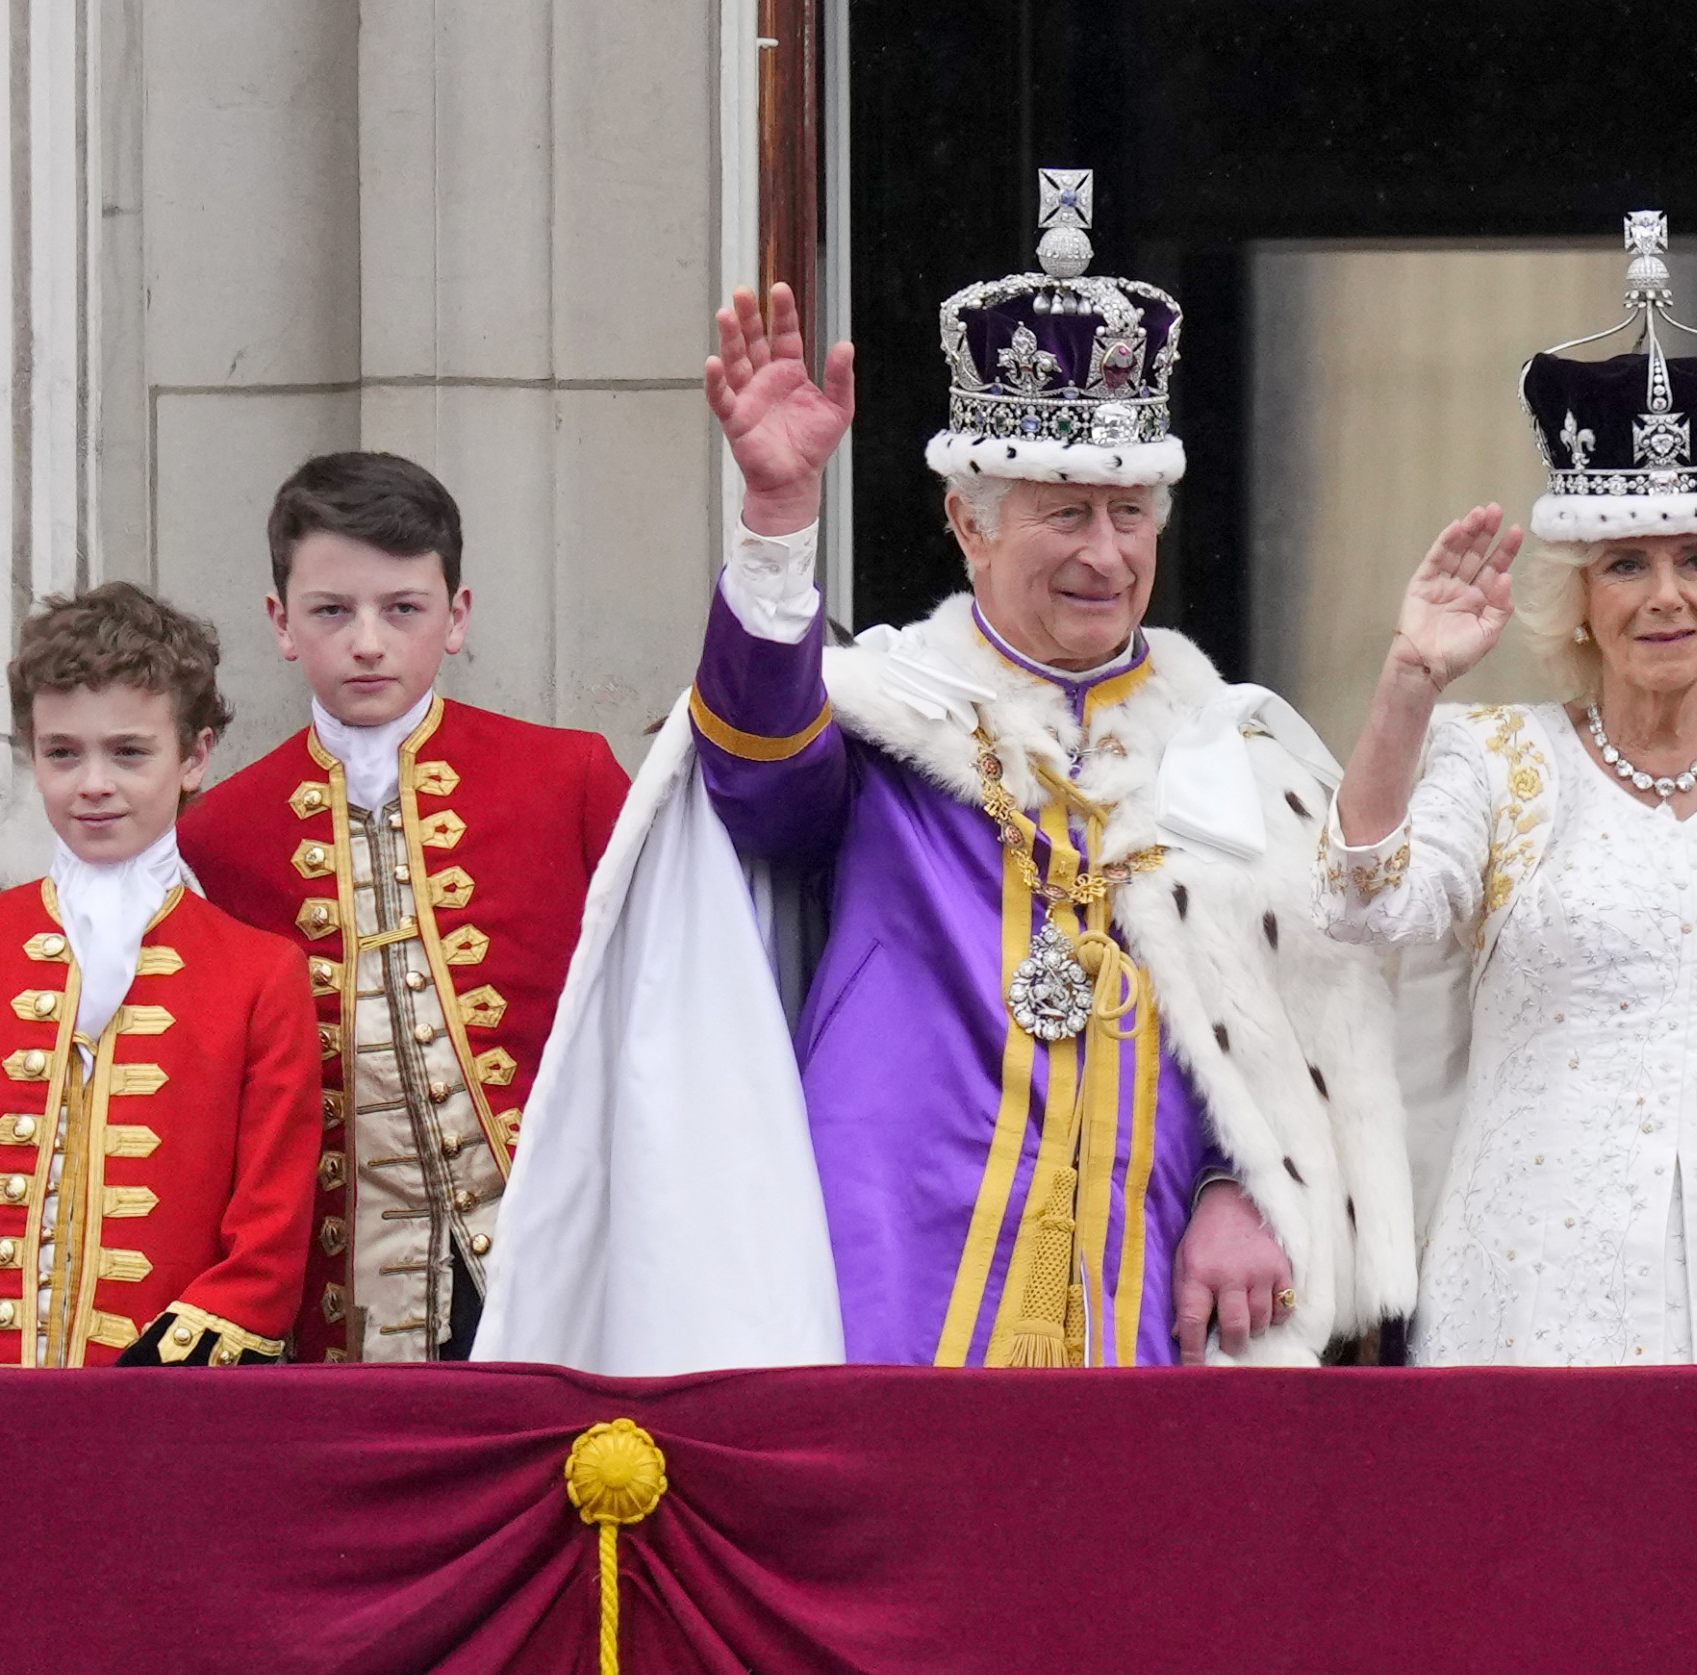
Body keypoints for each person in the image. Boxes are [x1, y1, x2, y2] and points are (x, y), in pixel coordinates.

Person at [479, 169, 1412, 1372]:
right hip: (891, 1253)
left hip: (1153, 1279)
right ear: (969, 524)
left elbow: (1300, 1011)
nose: (1103, 552)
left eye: (1129, 513)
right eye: (1061, 513)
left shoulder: (1233, 749)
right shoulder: (890, 716)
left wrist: (1250, 1184)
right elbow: (758, 776)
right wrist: (777, 520)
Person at [1316, 213, 1697, 1365]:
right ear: (1577, 596)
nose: (1667, 597)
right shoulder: (1495, 757)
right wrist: (1405, 684)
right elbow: (1363, 904)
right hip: (1535, 1299)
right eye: (1626, 565)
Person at [177, 454, 628, 1362]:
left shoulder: (568, 776)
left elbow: (650, 1016)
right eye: (332, 611)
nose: (368, 642)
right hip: (339, 1300)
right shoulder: (219, 831)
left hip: (560, 1270)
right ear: (283, 624)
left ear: (456, 616)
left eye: (403, 608)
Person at [1, 584, 319, 1366]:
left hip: (162, 1412)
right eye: (62, 752)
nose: (93, 783)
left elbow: (268, 1243)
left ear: (195, 756)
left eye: (129, 751)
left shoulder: (261, 973)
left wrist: (152, 1385)